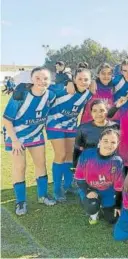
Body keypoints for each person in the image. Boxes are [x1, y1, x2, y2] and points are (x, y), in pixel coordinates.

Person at [3, 67, 57, 215]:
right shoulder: (21, 94)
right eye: (38, 78)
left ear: (49, 80)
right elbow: (7, 120)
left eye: (45, 78)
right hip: (16, 135)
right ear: (32, 79)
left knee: (41, 164)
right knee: (20, 167)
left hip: (35, 135)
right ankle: (20, 202)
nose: (41, 81)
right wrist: (14, 141)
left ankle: (43, 196)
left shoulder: (51, 95)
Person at [47, 67, 93, 202]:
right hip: (55, 123)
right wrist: (66, 81)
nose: (83, 82)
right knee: (60, 154)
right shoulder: (63, 88)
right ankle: (57, 189)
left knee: (69, 156)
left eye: (86, 79)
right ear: (74, 79)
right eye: (79, 79)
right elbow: (43, 86)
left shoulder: (89, 93)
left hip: (71, 125)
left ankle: (68, 185)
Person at [74, 129, 124, 225]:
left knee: (113, 219)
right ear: (100, 141)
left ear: (118, 144)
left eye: (113, 142)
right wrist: (88, 191)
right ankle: (94, 213)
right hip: (90, 187)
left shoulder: (117, 161)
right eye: (106, 141)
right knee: (92, 206)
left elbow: (118, 186)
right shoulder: (87, 155)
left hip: (107, 191)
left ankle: (103, 205)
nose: (109, 145)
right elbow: (79, 179)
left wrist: (118, 205)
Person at [73, 100, 119, 167]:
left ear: (107, 111)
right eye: (94, 111)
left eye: (102, 110)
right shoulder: (83, 128)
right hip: (88, 166)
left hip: (108, 167)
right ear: (91, 112)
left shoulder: (115, 127)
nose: (98, 114)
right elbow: (77, 149)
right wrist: (74, 167)